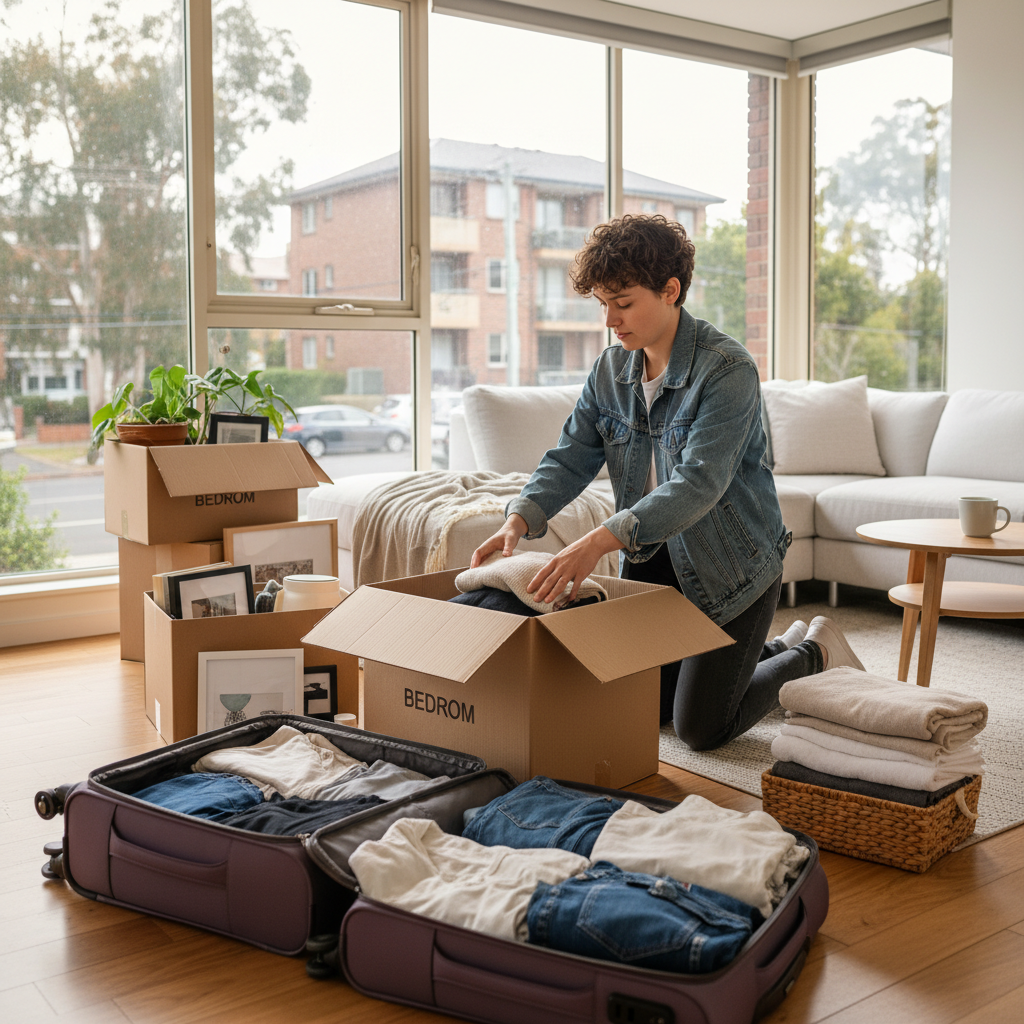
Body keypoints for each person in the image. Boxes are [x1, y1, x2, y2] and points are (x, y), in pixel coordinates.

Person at [471, 214, 865, 751]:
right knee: (641, 707)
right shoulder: (611, 370)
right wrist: (518, 518)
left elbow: (698, 483)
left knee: (700, 728)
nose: (610, 319)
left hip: (731, 569)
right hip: (654, 562)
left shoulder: (727, 370)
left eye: (623, 302)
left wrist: (597, 541)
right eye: (602, 303)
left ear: (670, 290)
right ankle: (764, 653)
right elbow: (571, 455)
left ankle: (811, 652)